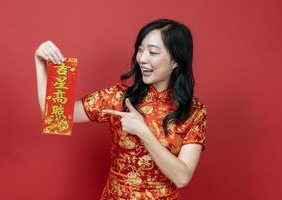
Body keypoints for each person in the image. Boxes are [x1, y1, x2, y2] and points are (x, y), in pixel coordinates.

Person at [34, 18, 207, 200]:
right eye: (140, 50)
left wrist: (143, 131)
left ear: (176, 61)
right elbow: (55, 116)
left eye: (153, 52)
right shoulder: (118, 97)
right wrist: (39, 63)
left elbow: (182, 177)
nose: (142, 58)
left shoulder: (194, 111)